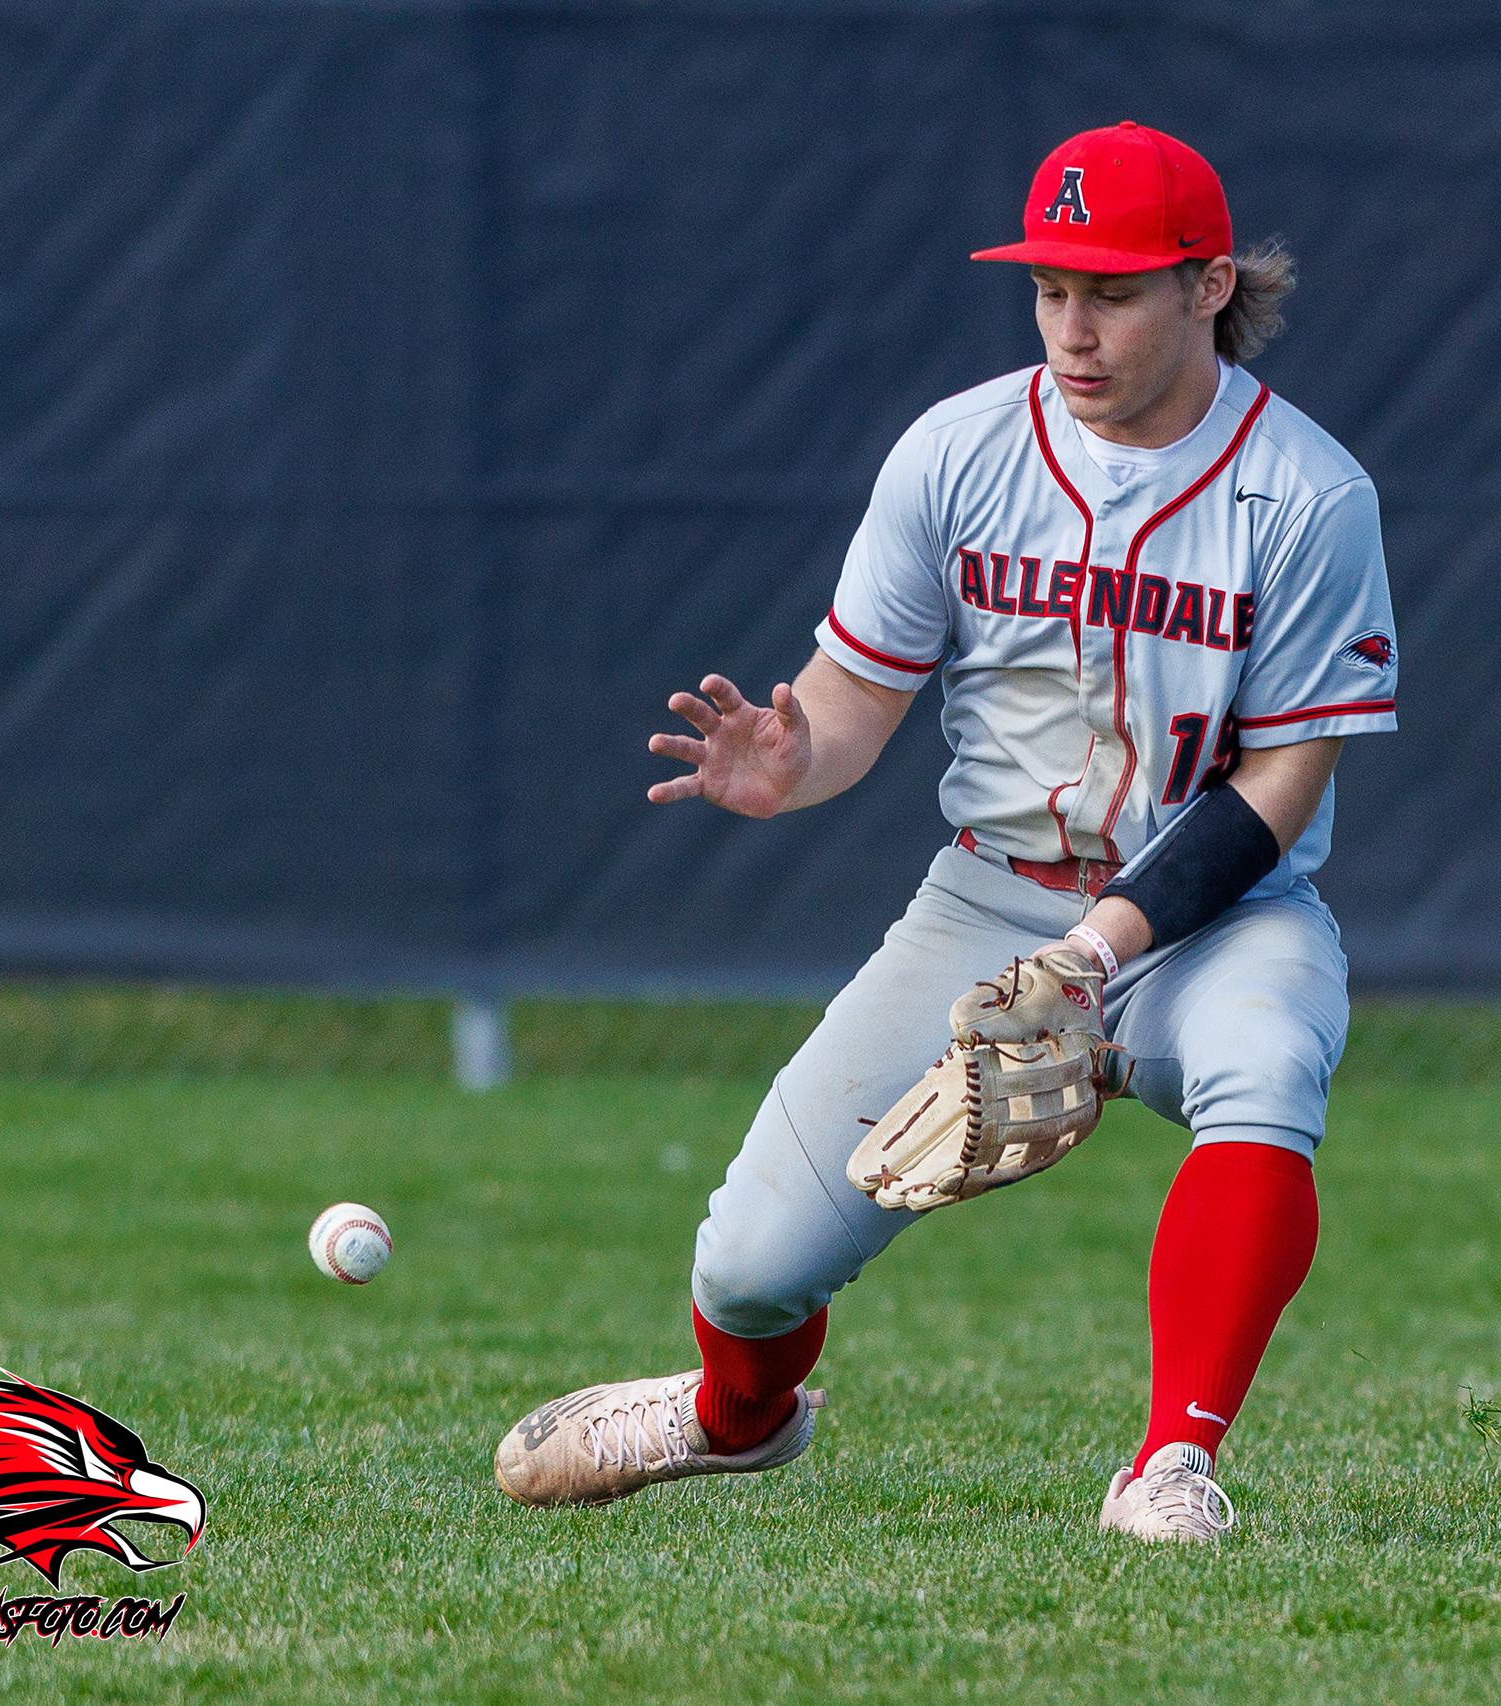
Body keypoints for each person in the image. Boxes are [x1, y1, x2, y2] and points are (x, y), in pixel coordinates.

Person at [492, 121, 1398, 1541]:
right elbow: (852, 701)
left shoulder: (1308, 494)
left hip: (1219, 919)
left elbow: (1279, 784)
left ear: (1210, 285)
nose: (1073, 327)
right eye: (1050, 288)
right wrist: (795, 757)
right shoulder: (960, 452)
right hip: (988, 905)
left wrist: (1099, 952)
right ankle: (737, 1419)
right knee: (748, 1267)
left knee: (1267, 1066)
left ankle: (1172, 1462)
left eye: (1112, 292)